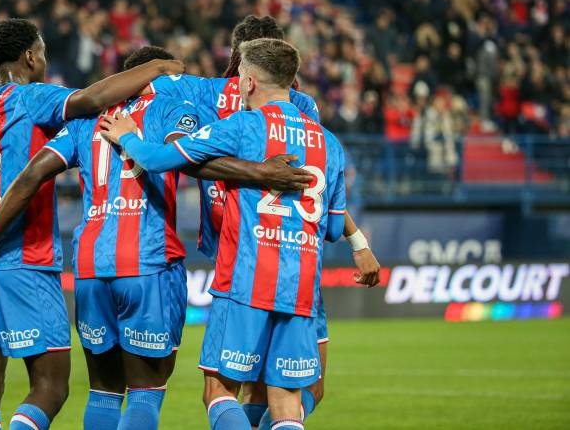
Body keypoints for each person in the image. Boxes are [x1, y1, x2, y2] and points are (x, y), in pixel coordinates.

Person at [0, 46, 312, 430]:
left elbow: (31, 176)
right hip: (148, 262)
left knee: (104, 390)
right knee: (147, 390)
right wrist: (261, 172)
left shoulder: (87, 121)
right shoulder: (170, 108)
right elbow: (195, 159)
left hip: (91, 268)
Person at [100, 38, 380, 429]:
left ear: (247, 82)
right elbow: (333, 227)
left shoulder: (244, 125)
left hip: (246, 277)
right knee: (285, 401)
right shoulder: (329, 143)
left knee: (219, 391)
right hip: (300, 285)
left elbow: (158, 160)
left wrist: (128, 135)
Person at [0, 19, 183, 430]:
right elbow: (91, 100)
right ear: (31, 56)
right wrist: (158, 68)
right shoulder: (30, 97)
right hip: (21, 258)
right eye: (44, 54)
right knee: (51, 386)